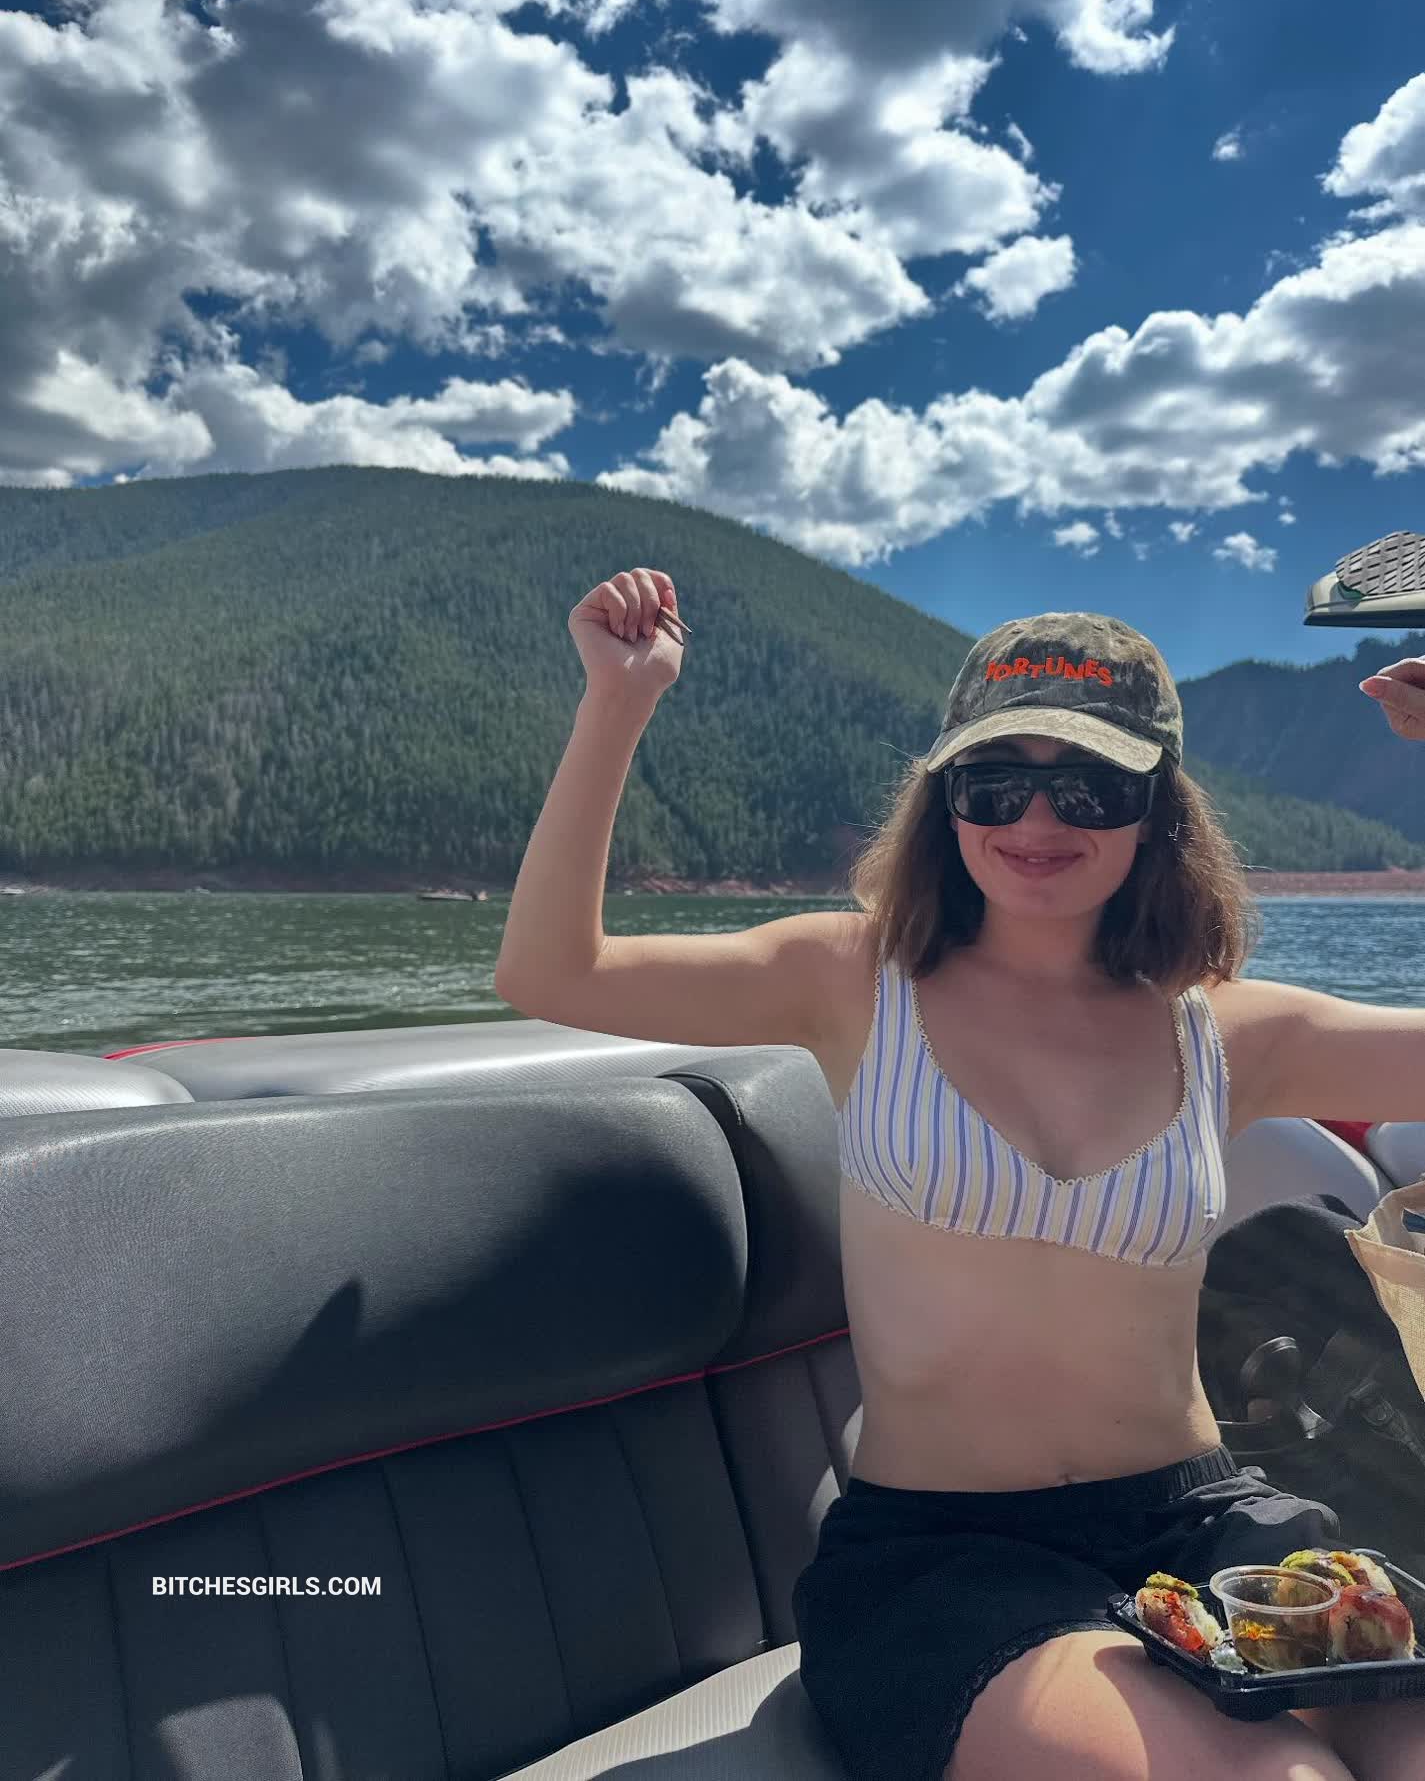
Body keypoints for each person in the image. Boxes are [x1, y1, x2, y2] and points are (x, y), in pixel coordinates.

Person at [494, 564, 1425, 1781]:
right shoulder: (849, 980)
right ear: (945, 801)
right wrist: (617, 702)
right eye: (994, 783)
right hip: (945, 1555)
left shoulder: (1231, 1031)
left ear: (1156, 810)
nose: (1036, 822)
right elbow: (551, 971)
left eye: (1089, 786)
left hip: (1204, 1521)